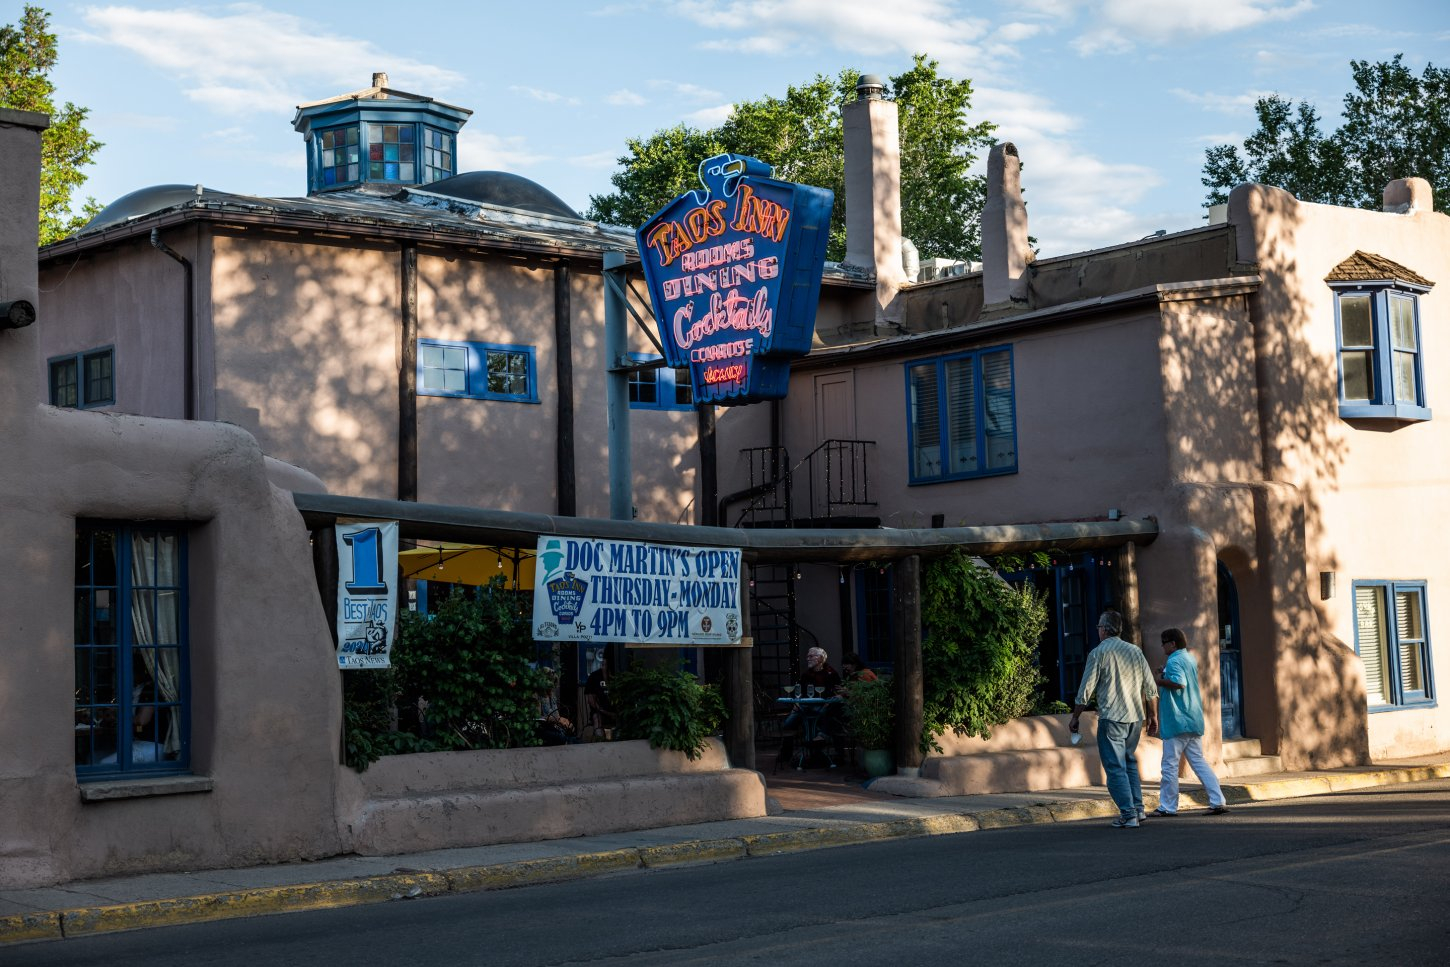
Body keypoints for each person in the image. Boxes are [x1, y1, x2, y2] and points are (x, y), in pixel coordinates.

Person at [1070, 609, 1158, 828]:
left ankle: (1128, 814)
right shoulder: (1135, 651)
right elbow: (1150, 687)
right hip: (1135, 718)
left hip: (1112, 717)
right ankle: (1138, 808)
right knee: (1129, 762)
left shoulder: (1099, 653)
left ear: (1105, 629)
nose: (1098, 630)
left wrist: (1075, 716)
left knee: (1115, 767)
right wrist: (1153, 715)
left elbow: (1085, 689)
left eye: (1099, 626)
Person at [1151, 628, 1230, 816]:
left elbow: (1179, 682)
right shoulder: (1188, 658)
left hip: (1177, 720)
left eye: (1164, 642)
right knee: (1199, 762)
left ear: (1173, 643)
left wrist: (1158, 681)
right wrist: (1165, 672)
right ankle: (1218, 800)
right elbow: (1181, 677)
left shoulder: (1175, 660)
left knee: (1169, 765)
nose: (1162, 646)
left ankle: (1168, 806)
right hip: (1192, 719)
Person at [583, 652, 615, 738]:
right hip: (600, 712)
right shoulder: (594, 677)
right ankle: (600, 743)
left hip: (617, 712)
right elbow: (591, 701)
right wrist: (607, 713)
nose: (605, 666)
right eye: (603, 664)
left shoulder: (617, 676)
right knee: (597, 718)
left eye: (607, 664)